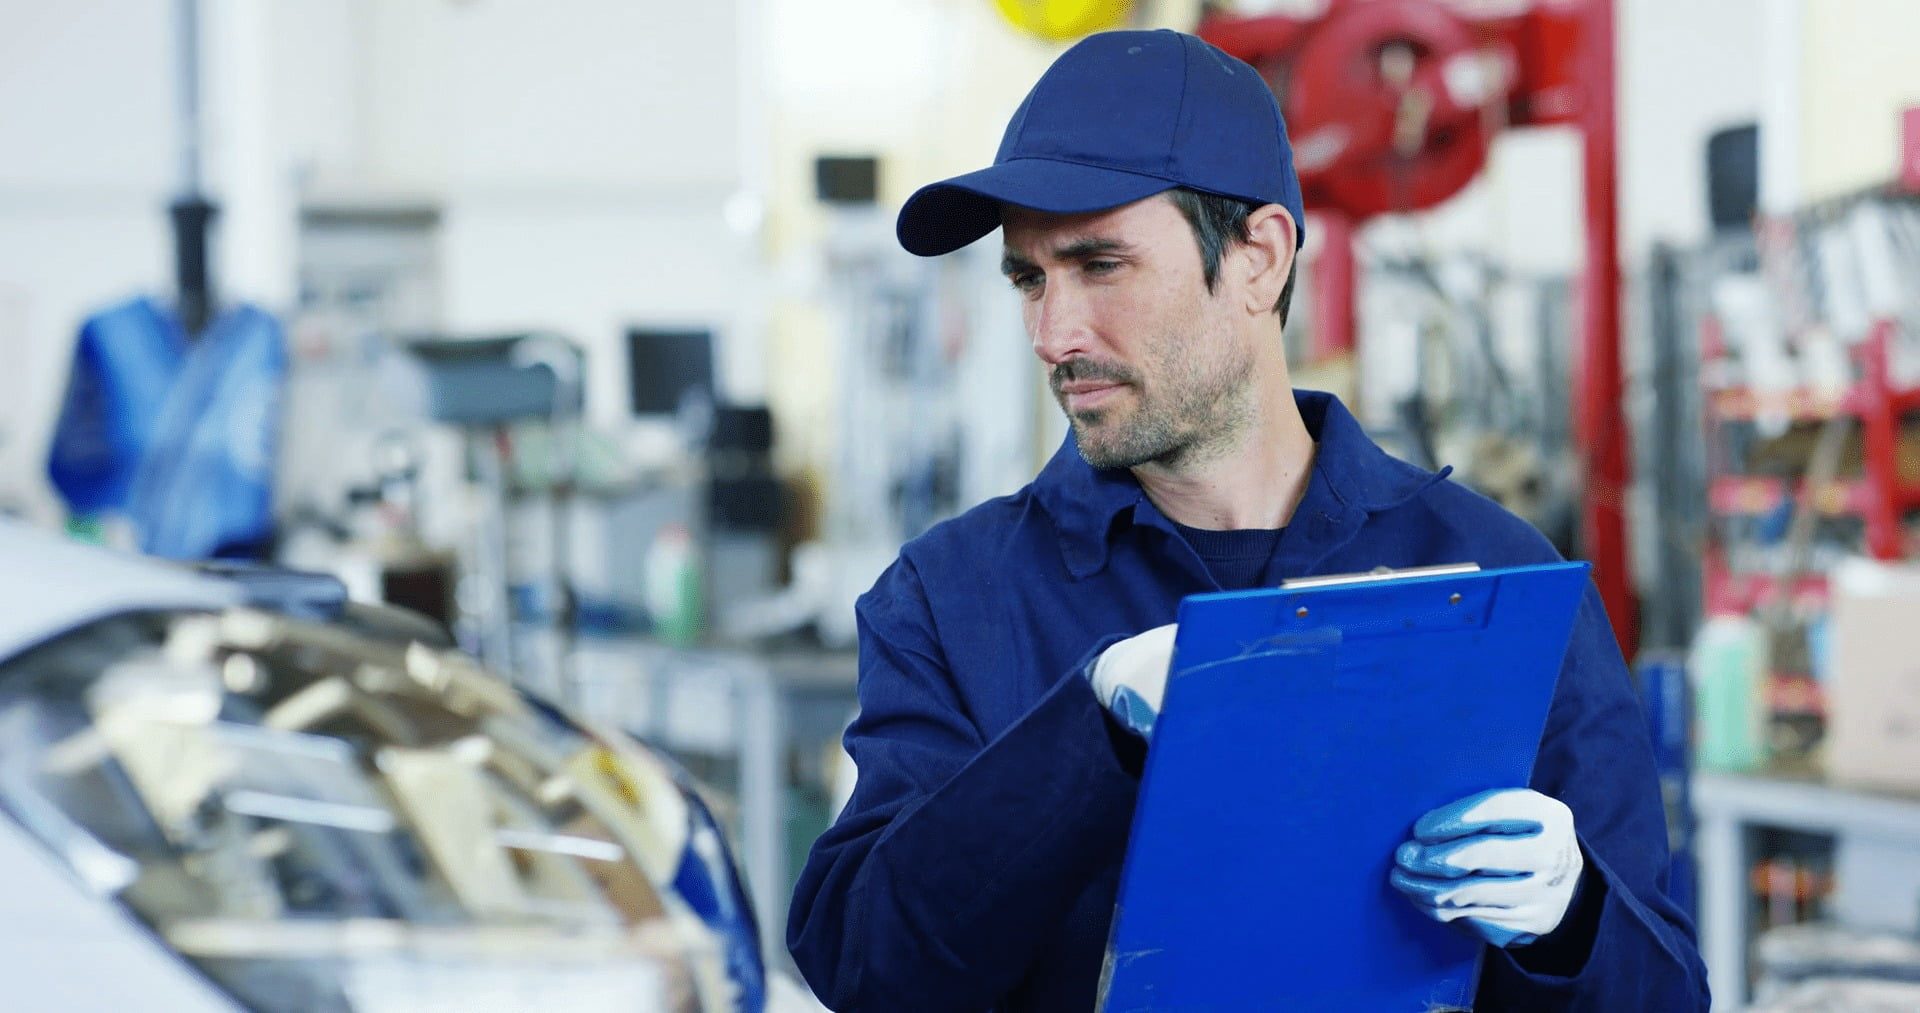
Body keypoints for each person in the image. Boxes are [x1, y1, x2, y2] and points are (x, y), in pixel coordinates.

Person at [787, 28, 1707, 1012]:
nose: (1055, 332)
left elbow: (1664, 995)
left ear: (1260, 259)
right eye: (1030, 278)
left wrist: (1570, 916)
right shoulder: (952, 601)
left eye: (1101, 265)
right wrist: (1083, 738)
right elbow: (869, 969)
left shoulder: (1488, 576)